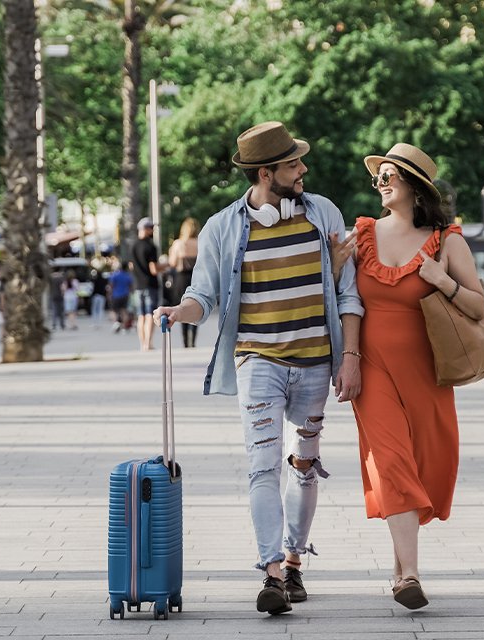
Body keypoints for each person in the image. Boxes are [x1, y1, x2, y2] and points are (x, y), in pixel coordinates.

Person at [152, 121, 363, 615]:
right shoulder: (221, 227)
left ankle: (294, 563)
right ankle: (271, 573)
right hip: (258, 361)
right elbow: (202, 294)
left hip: (315, 362)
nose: (303, 169)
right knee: (261, 466)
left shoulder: (323, 215)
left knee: (304, 467)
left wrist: (349, 358)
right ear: (266, 174)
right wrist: (181, 311)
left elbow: (348, 294)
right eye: (293, 164)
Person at [339, 143, 484, 610]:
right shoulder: (361, 234)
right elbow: (350, 303)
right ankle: (410, 576)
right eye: (378, 176)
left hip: (428, 370)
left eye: (389, 176)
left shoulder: (447, 240)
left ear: (413, 185)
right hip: (372, 366)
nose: (380, 183)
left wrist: (441, 279)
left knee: (427, 462)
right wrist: (350, 357)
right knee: (392, 460)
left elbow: (479, 307)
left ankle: (400, 566)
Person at [131, 218, 166, 350]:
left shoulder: (133, 246)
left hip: (138, 285)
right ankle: (148, 343)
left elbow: (131, 265)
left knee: (141, 316)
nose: (152, 230)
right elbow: (154, 269)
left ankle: (142, 344)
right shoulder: (150, 246)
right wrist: (166, 265)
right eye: (150, 228)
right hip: (150, 284)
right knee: (150, 314)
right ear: (145, 229)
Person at [167, 217, 201, 347]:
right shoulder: (200, 242)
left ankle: (186, 341)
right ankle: (193, 341)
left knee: (182, 307)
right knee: (197, 305)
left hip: (181, 278)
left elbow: (172, 263)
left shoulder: (179, 244)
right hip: (196, 278)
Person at [107, 262, 134, 333]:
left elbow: (111, 285)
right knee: (124, 311)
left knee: (114, 311)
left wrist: (109, 294)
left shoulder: (115, 275)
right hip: (125, 295)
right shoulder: (128, 276)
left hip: (116, 295)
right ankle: (124, 327)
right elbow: (131, 287)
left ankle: (116, 324)